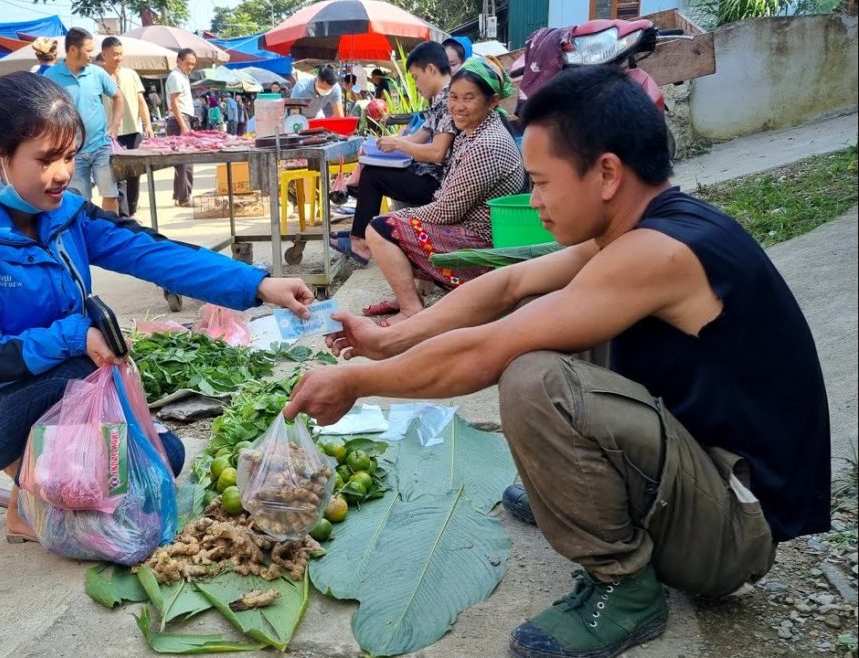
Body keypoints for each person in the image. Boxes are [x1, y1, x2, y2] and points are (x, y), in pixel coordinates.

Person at [286, 66, 830, 658]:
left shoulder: (658, 253)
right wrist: (391, 340)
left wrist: (356, 382)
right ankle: (592, 496)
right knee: (551, 320)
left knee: (533, 376)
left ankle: (623, 585)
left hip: (733, 532)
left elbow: (485, 351)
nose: (534, 200)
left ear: (607, 174)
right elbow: (508, 285)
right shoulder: (646, 226)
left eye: (543, 183)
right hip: (703, 476)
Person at [0, 71, 317, 543]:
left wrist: (259, 284)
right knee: (82, 369)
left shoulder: (64, 215)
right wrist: (76, 335)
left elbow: (153, 253)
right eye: (46, 159)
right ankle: (26, 505)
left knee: (163, 458)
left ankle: (42, 476)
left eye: (69, 156)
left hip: (31, 386)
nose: (64, 173)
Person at [360, 60, 525, 325]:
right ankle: (406, 296)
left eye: (469, 98)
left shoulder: (486, 144)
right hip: (474, 227)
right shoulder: (476, 130)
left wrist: (398, 219)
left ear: (492, 101)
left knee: (379, 230)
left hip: (482, 241)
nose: (458, 106)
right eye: (454, 97)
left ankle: (410, 307)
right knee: (391, 225)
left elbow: (446, 212)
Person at [331, 42, 459, 270]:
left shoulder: (450, 99)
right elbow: (420, 137)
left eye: (416, 78)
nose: (416, 86)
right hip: (435, 175)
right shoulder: (440, 99)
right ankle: (359, 236)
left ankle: (360, 242)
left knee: (373, 176)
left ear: (431, 69)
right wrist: (388, 144)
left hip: (442, 183)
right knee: (371, 170)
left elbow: (437, 153)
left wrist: (399, 143)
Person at [45, 28, 125, 213]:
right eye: (88, 50)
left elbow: (118, 97)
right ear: (73, 49)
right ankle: (85, 230)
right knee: (79, 200)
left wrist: (114, 125)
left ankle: (109, 228)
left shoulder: (97, 73)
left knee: (110, 194)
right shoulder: (51, 77)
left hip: (101, 146)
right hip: (71, 152)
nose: (92, 55)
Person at [100, 36, 154, 217]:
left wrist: (148, 125)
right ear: (104, 54)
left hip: (133, 130)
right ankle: (123, 215)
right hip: (111, 134)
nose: (118, 58)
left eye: (120, 54)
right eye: (114, 54)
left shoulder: (131, 74)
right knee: (118, 176)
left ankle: (132, 211)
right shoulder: (99, 76)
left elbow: (141, 102)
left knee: (134, 175)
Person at [165, 48, 197, 208]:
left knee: (184, 161)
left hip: (183, 119)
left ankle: (181, 196)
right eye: (188, 63)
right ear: (179, 61)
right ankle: (183, 198)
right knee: (185, 161)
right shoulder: (176, 77)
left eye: (193, 64)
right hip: (179, 120)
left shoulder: (182, 76)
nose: (190, 67)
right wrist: (183, 125)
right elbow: (174, 103)